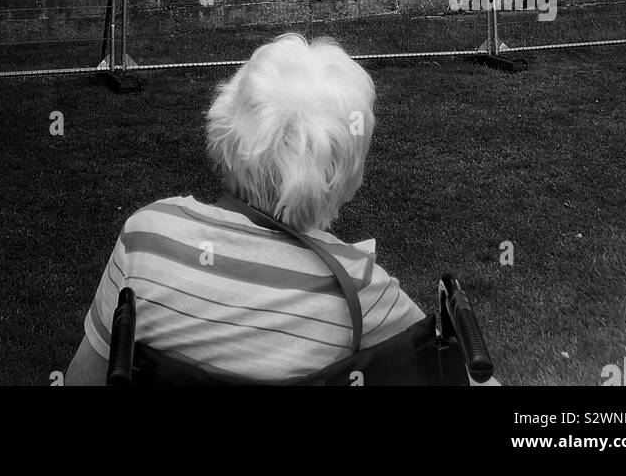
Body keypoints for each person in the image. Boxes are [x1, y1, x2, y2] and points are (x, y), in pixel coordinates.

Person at [65, 33, 428, 385]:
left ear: (224, 125)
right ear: (345, 169)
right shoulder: (364, 289)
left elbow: (82, 380)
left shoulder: (146, 241)